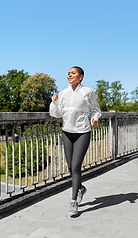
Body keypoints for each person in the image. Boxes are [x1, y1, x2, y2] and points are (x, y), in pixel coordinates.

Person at [49, 66, 101, 216]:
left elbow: (96, 109)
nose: (69, 75)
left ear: (81, 76)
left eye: (73, 73)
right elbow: (57, 114)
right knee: (71, 168)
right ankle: (80, 188)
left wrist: (95, 119)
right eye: (68, 73)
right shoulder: (63, 93)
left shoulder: (87, 92)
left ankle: (73, 201)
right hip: (67, 132)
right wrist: (54, 102)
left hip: (82, 132)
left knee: (76, 166)